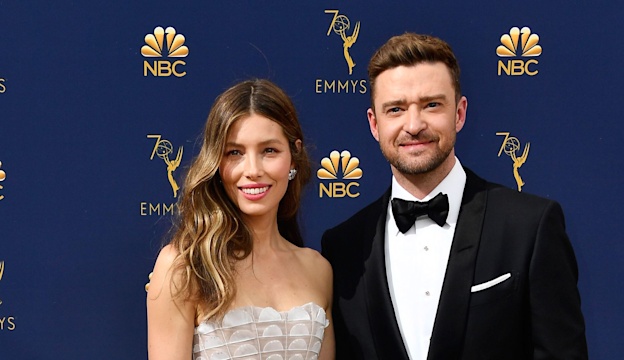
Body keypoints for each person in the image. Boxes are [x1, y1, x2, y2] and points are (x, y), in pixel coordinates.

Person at [321, 33, 587, 359]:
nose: (414, 124)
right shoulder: (342, 247)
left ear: (459, 113)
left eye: (432, 105)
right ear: (375, 124)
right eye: (396, 109)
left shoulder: (529, 227)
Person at [147, 79, 335, 360]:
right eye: (234, 152)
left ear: (294, 157)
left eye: (269, 150)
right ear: (216, 162)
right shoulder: (185, 266)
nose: (252, 170)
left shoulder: (318, 270)